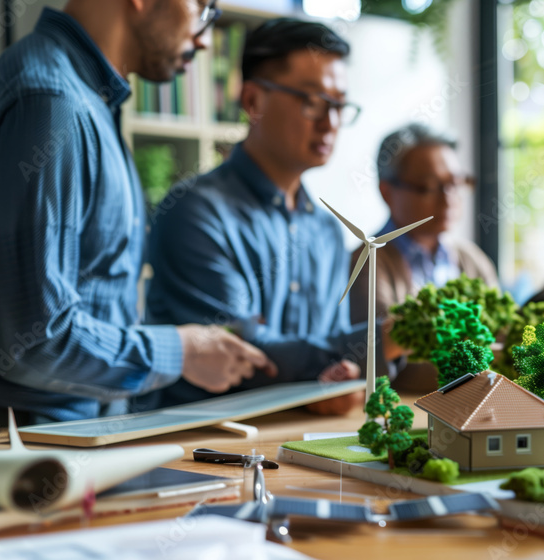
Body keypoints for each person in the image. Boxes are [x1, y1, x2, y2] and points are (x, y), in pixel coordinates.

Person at [0, 0, 276, 425]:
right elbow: (33, 340)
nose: (204, 39)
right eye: (202, 7)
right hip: (22, 464)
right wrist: (180, 351)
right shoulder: (52, 103)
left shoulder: (86, 100)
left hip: (70, 442)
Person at [141, 19, 400, 416]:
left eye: (339, 105)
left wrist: (341, 372)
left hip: (297, 439)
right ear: (253, 101)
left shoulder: (327, 230)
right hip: (202, 444)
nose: (330, 122)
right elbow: (241, 353)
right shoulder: (195, 212)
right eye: (313, 101)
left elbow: (323, 355)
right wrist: (379, 342)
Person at [349, 124, 498, 391]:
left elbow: (501, 332)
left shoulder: (473, 260)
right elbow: (391, 362)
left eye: (455, 183)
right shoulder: (367, 263)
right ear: (387, 191)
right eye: (429, 186)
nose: (448, 198)